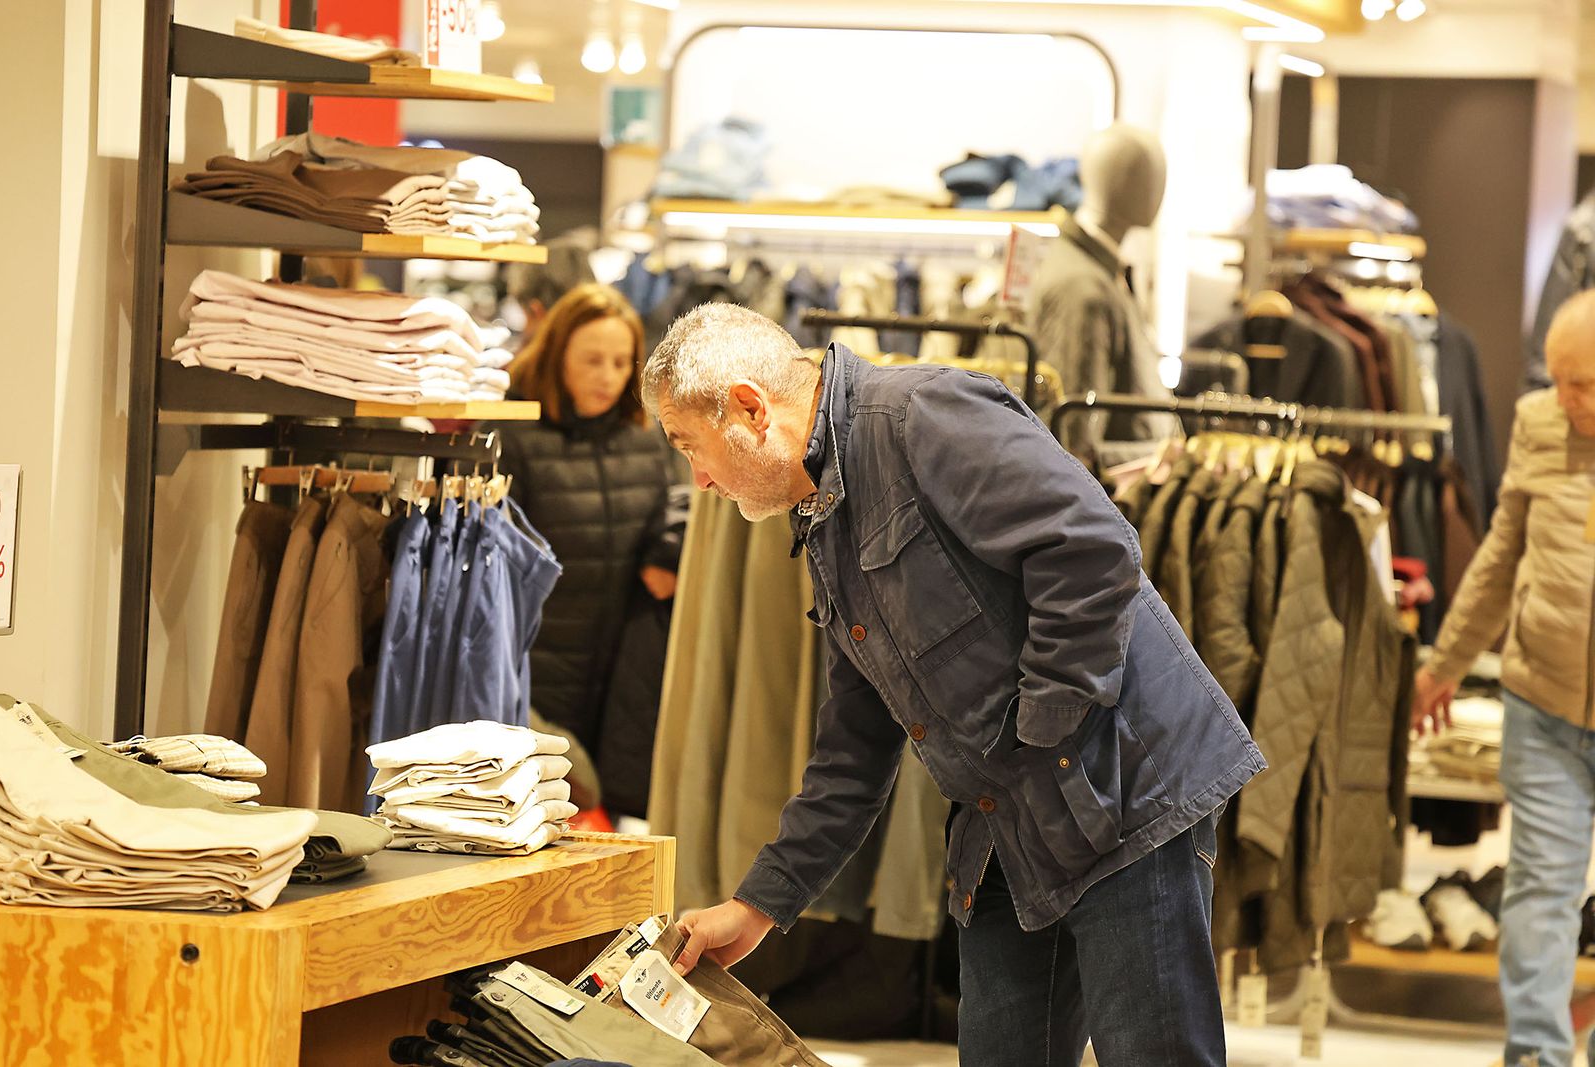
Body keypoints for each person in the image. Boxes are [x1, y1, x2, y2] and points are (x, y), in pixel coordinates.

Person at [641, 302, 1264, 1066]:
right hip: (1008, 827)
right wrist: (757, 905)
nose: (699, 479)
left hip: (1123, 788)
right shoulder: (826, 511)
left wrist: (1039, 735)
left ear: (750, 407)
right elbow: (854, 747)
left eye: (690, 446)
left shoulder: (923, 414)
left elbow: (1093, 550)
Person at [1414, 289, 1595, 1067]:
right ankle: (1537, 1054)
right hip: (1542, 699)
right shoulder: (1539, 423)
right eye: (1557, 380)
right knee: (1542, 889)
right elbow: (1498, 556)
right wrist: (1444, 665)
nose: (1566, 399)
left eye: (1583, 384)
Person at [486, 283, 686, 819]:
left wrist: (667, 551)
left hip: (621, 673)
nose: (608, 376)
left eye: (621, 362)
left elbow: (678, 505)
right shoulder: (513, 433)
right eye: (593, 360)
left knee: (605, 821)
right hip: (537, 671)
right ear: (558, 355)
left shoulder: (645, 438)